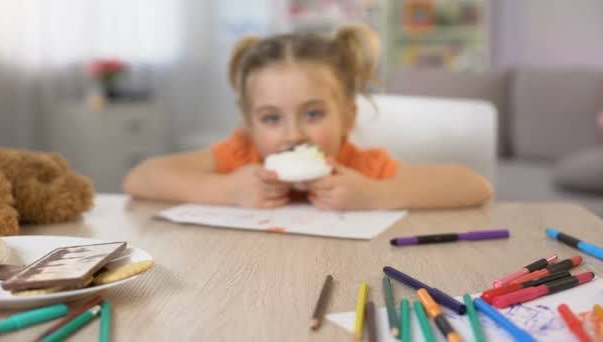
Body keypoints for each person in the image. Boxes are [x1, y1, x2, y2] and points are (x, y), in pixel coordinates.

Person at [123, 24, 492, 210]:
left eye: (313, 113)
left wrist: (376, 195)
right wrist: (225, 190)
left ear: (348, 117)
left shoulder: (358, 167)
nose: (293, 134)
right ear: (248, 124)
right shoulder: (241, 156)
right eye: (271, 119)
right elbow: (141, 178)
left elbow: (475, 187)